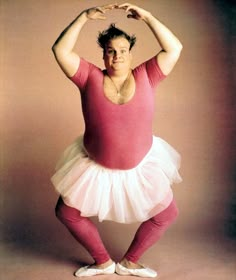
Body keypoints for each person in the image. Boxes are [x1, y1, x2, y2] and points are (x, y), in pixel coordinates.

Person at [51, 2, 183, 278]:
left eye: (122, 51)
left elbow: (174, 48)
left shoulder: (148, 74)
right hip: (95, 166)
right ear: (104, 55)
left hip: (141, 165)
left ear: (131, 53)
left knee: (166, 214)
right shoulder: (88, 76)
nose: (117, 56)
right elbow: (60, 50)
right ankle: (102, 262)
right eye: (111, 51)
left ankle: (130, 262)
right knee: (67, 213)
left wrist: (147, 17)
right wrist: (82, 17)